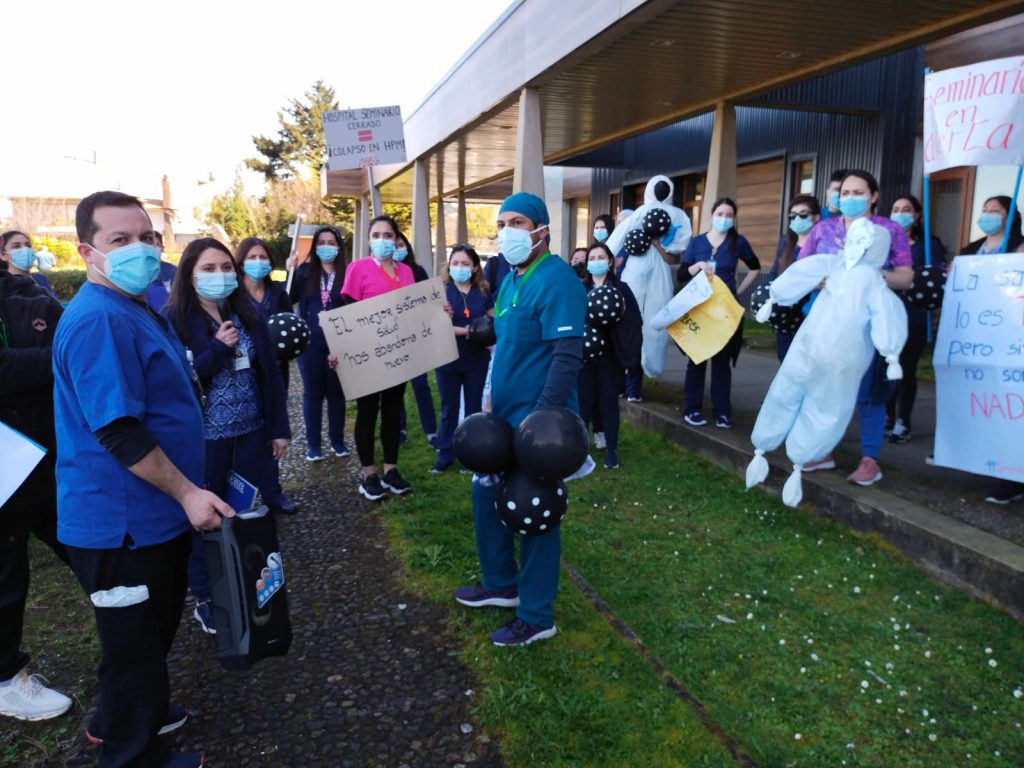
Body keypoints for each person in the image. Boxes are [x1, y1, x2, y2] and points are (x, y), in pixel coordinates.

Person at [53, 190, 232, 767]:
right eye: (119, 241)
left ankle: (120, 720)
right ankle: (133, 755)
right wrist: (188, 492)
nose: (141, 250)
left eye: (147, 238)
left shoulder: (133, 305)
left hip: (146, 519)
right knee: (134, 650)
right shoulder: (99, 319)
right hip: (121, 526)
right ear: (87, 251)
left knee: (141, 642)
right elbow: (121, 433)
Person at [454, 192, 587, 647]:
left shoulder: (559, 280)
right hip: (502, 415)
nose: (506, 230)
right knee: (485, 494)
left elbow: (567, 355)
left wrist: (541, 419)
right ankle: (501, 584)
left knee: (534, 510)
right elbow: (504, 346)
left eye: (516, 222)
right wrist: (489, 398)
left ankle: (535, 615)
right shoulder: (511, 278)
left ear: (541, 230)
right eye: (502, 222)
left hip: (539, 427)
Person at [163, 237, 289, 634]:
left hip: (250, 434)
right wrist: (217, 350)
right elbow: (176, 382)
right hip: (205, 443)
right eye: (208, 269)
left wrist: (279, 429)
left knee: (246, 514)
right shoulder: (175, 322)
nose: (220, 276)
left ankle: (247, 581)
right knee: (204, 520)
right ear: (189, 275)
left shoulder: (247, 315)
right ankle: (206, 596)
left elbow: (269, 378)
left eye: (224, 268)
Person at [798, 169, 913, 486]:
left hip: (870, 322)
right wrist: (819, 279)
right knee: (825, 386)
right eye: (845, 193)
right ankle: (823, 451)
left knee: (869, 392)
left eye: (857, 192)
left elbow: (905, 276)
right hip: (827, 321)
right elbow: (803, 268)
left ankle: (869, 459)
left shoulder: (888, 231)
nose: (850, 199)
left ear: (874, 196)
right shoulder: (824, 229)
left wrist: (869, 276)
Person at [0, 232, 73, 722]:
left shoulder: (34, 295)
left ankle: (135, 624)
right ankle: (6, 679)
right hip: (6, 461)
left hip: (46, 452)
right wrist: (59, 358)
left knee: (82, 543)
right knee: (6, 572)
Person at [341, 215, 415, 501]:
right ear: (369, 239)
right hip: (369, 353)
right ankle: (368, 473)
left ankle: (391, 469)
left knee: (393, 410)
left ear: (397, 239)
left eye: (388, 235)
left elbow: (414, 307)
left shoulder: (406, 272)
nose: (382, 240)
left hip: (398, 352)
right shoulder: (357, 269)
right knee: (368, 411)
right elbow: (348, 312)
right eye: (376, 234)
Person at [959, 195, 1024, 505]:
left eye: (994, 211)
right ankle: (983, 460)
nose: (987, 216)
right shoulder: (970, 251)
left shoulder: (1020, 249)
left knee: (1011, 406)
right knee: (983, 401)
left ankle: (1012, 477)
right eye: (984, 210)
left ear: (1010, 217)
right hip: (975, 337)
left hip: (1011, 340)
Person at [679, 197, 761, 429]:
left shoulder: (738, 242)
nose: (724, 218)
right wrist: (696, 267)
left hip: (725, 312)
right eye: (720, 214)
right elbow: (682, 274)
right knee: (697, 360)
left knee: (722, 363)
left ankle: (722, 412)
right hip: (700, 309)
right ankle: (691, 408)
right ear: (712, 215)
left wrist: (738, 291)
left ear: (733, 218)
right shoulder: (697, 243)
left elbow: (754, 267)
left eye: (729, 215)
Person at [235, 236, 297, 515]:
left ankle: (273, 492)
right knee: (246, 433)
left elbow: (290, 329)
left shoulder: (278, 293)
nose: (258, 263)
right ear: (241, 262)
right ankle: (241, 495)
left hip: (276, 371)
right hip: (242, 375)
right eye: (252, 257)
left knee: (273, 428)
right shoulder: (232, 295)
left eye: (263, 258)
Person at [886, 195, 946, 444]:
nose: (900, 214)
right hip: (885, 315)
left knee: (905, 368)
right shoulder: (883, 244)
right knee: (885, 367)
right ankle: (887, 416)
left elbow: (934, 277)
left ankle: (903, 421)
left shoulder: (929, 246)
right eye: (896, 209)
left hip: (913, 317)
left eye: (906, 210)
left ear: (918, 215)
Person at [287, 226, 350, 461]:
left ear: (338, 246)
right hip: (310, 342)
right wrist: (290, 271)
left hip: (339, 341)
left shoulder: (346, 272)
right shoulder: (305, 271)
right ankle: (313, 444)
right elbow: (289, 297)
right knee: (313, 394)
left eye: (331, 242)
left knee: (337, 393)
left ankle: (338, 440)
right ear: (315, 246)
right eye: (321, 242)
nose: (326, 247)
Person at [431, 244, 494, 473]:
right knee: (449, 408)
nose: (460, 268)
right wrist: (468, 331)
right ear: (449, 265)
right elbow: (436, 325)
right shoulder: (441, 291)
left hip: (476, 359)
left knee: (473, 409)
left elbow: (492, 319)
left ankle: (471, 456)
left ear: (475, 267)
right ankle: (445, 455)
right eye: (455, 263)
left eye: (465, 264)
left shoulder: (483, 291)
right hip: (448, 358)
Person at [579, 242, 642, 469]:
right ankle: (579, 451)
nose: (596, 261)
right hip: (584, 358)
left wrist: (618, 316)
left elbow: (636, 321)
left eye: (601, 257)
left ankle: (611, 451)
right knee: (583, 404)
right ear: (587, 264)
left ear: (610, 261)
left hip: (611, 358)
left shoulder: (621, 288)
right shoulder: (580, 289)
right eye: (592, 258)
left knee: (608, 403)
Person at [394, 233, 439, 448]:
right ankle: (399, 427)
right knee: (396, 388)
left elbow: (428, 302)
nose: (396, 248)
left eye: (400, 244)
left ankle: (431, 430)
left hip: (415, 337)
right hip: (391, 339)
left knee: (421, 385)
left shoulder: (417, 271)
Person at [768, 195, 821, 361]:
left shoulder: (824, 244)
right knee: (785, 364)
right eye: (793, 216)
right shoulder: (786, 242)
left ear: (816, 217)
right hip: (786, 317)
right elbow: (774, 272)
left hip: (813, 315)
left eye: (803, 215)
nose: (797, 219)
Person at [0, 230, 58, 298]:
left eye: (28, 245)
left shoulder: (40, 278)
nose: (25, 249)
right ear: (3, 255)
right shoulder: (3, 285)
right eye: (16, 246)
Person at [144, 230, 178, 313]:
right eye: (149, 245)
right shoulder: (135, 272)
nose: (153, 248)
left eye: (157, 245)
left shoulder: (173, 271)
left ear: (162, 248)